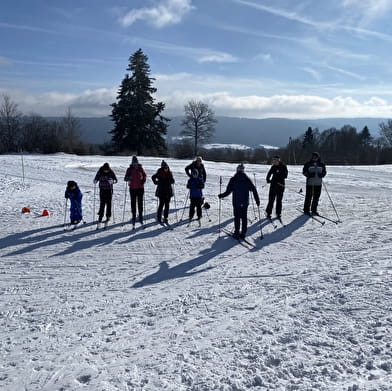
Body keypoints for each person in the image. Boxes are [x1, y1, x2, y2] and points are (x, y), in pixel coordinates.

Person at [218, 163, 260, 239]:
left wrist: (221, 195)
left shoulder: (233, 179)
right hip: (245, 202)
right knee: (244, 217)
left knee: (237, 217)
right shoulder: (247, 179)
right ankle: (243, 233)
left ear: (237, 170)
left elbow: (228, 191)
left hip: (236, 202)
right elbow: (253, 189)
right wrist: (257, 200)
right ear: (243, 171)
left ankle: (236, 232)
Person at [124, 156, 147, 225]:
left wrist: (143, 180)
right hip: (132, 188)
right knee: (133, 202)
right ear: (132, 163)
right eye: (134, 163)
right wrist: (128, 178)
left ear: (137, 163)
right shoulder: (129, 169)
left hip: (140, 188)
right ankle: (134, 215)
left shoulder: (140, 168)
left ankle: (140, 215)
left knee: (140, 202)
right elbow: (125, 178)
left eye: (136, 163)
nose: (135, 164)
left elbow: (145, 175)